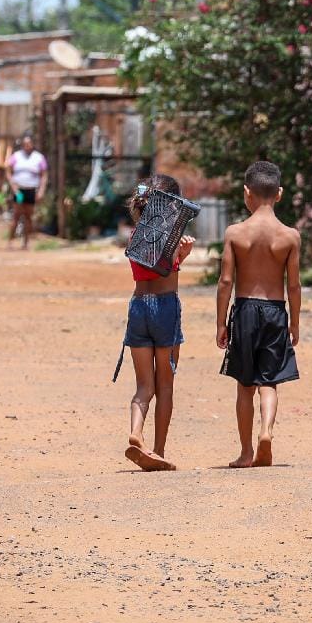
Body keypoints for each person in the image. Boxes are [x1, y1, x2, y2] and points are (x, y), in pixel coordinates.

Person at [216, 160, 301, 470]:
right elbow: (294, 284)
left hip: (245, 311)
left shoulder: (236, 233)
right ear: (278, 194)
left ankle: (245, 452)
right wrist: (294, 322)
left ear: (246, 193)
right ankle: (267, 431)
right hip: (275, 311)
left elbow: (225, 282)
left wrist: (221, 323)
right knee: (270, 383)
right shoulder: (290, 236)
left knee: (244, 386)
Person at [119, 175, 194, 471]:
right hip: (164, 309)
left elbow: (148, 270)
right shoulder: (171, 236)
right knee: (165, 386)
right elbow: (166, 272)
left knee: (143, 387)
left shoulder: (136, 234)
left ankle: (136, 433)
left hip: (138, 307)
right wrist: (183, 255)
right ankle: (158, 449)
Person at [6, 134, 47, 249]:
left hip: (31, 191)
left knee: (28, 216)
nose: (27, 146)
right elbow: (8, 171)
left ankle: (26, 242)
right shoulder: (16, 156)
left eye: (29, 144)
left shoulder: (39, 158)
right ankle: (10, 241)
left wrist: (41, 190)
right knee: (16, 215)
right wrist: (13, 187)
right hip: (19, 191)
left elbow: (44, 175)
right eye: (25, 144)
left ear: (32, 145)